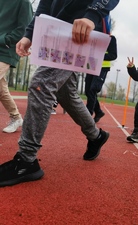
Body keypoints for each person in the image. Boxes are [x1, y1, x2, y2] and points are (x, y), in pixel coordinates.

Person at [0, 0, 119, 187]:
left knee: (41, 85)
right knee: (66, 94)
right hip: (55, 32)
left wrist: (92, 15)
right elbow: (45, 6)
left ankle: (26, 159)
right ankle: (96, 136)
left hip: (79, 32)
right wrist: (29, 34)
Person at [0, 0, 33, 133]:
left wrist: (5, 40)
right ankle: (16, 118)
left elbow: (25, 29)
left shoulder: (24, 3)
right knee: (1, 89)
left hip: (7, 50)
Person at [85, 16, 117, 123]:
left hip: (102, 68)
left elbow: (113, 55)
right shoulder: (92, 38)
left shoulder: (111, 39)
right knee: (87, 90)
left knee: (93, 89)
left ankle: (88, 114)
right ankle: (98, 111)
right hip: (91, 66)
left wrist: (100, 55)